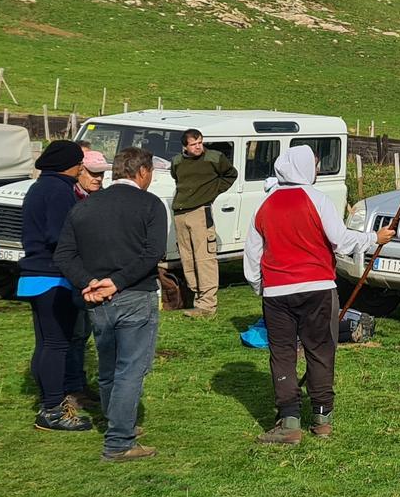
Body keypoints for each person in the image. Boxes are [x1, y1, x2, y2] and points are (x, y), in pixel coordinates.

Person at [243, 144, 391, 443]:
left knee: (282, 354)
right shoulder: (318, 199)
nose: (318, 168)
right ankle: (322, 419)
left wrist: (261, 287)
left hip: (277, 292)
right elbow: (340, 239)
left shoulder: (266, 204)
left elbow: (252, 255)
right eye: (314, 164)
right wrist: (374, 237)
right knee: (321, 351)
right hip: (318, 288)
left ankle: (289, 422)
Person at [54, 146, 169, 461]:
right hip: (135, 294)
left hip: (97, 299)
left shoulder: (85, 207)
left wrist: (87, 281)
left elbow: (63, 254)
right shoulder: (151, 205)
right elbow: (152, 253)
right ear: (143, 172)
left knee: (108, 366)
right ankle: (119, 440)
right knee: (131, 369)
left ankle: (117, 421)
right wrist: (115, 282)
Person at [18, 140, 94, 433]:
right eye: (79, 163)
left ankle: (49, 401)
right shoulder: (60, 191)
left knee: (46, 344)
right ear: (70, 164)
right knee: (57, 344)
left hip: (35, 275)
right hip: (53, 276)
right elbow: (59, 235)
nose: (81, 168)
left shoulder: (39, 186)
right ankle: (52, 409)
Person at [169, 129, 237, 317]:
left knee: (204, 257)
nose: (198, 146)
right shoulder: (177, 162)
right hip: (180, 212)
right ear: (185, 146)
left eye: (200, 142)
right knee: (187, 257)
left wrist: (212, 192)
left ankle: (208, 305)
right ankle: (196, 298)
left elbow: (230, 175)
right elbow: (177, 179)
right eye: (193, 144)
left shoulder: (214, 157)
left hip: (200, 211)